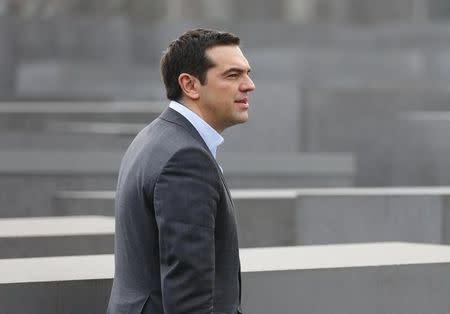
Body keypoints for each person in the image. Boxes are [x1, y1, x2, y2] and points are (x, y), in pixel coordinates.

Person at [107, 28, 255, 314]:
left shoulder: (155, 137)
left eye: (247, 73)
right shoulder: (185, 159)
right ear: (190, 85)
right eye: (233, 75)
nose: (249, 85)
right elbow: (189, 300)